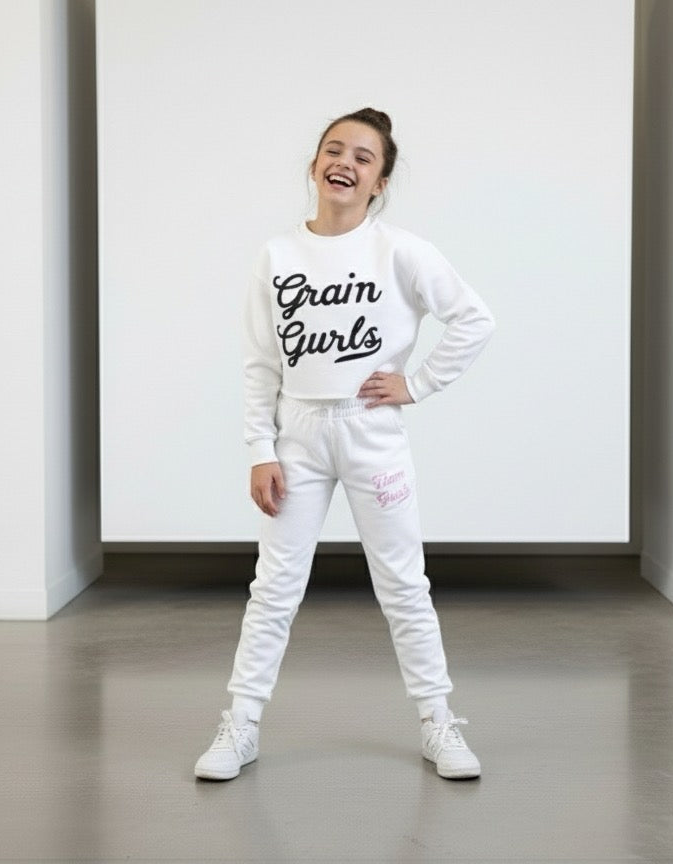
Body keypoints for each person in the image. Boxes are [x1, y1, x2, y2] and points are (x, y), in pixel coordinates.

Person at [194, 108, 495, 781]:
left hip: (372, 436)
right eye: (335, 150)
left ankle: (438, 723)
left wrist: (417, 384)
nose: (346, 163)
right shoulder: (277, 256)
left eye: (363, 157)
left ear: (379, 181)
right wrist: (259, 449)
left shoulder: (401, 252)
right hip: (296, 436)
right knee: (274, 586)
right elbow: (260, 364)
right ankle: (240, 724)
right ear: (314, 166)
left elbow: (475, 319)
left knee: (403, 584)